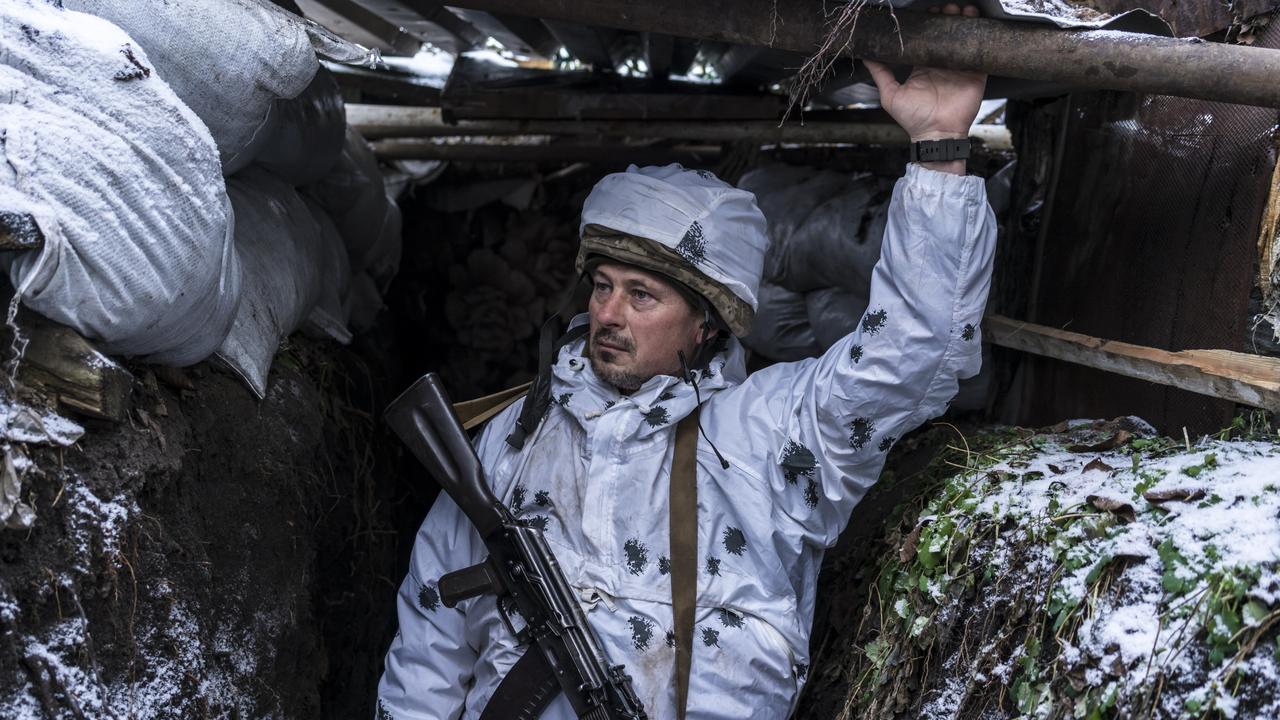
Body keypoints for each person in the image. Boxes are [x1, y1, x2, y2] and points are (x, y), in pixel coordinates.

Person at [378, 6, 996, 718]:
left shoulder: (769, 435)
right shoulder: (513, 439)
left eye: (643, 296)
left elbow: (910, 352)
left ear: (707, 324)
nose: (608, 314)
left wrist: (939, 146)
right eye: (604, 287)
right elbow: (431, 640)